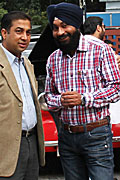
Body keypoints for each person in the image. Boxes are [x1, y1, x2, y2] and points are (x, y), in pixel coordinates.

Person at [45, 2, 120, 180]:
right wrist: (60, 101)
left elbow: (116, 88)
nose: (60, 32)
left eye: (64, 26)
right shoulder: (53, 59)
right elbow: (49, 97)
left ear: (77, 25)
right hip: (66, 137)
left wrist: (84, 99)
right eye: (55, 28)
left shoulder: (100, 50)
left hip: (97, 135)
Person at [0, 11, 45, 180]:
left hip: (31, 145)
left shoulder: (27, 64)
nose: (24, 37)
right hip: (1, 153)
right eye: (19, 31)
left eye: (28, 32)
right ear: (4, 33)